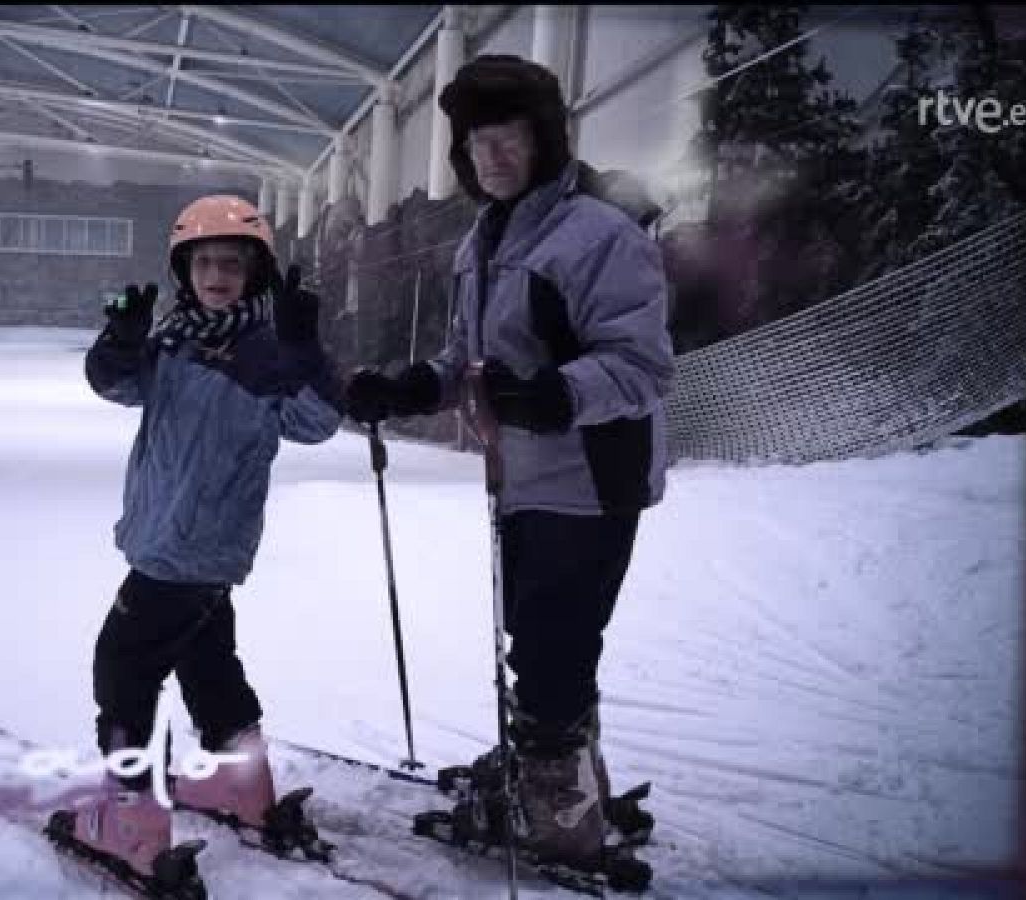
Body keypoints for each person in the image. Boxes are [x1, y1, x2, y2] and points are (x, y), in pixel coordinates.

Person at [344, 55, 675, 869]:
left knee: (552, 643)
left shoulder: (598, 236)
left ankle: (558, 814)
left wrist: (555, 396)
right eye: (476, 144)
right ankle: (561, 773)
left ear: (545, 140)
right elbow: (470, 356)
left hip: (592, 475)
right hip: (524, 475)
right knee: (543, 634)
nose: (490, 157)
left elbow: (641, 366)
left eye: (508, 139)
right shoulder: (483, 242)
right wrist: (414, 385)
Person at [80, 194, 343, 876]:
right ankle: (240, 783)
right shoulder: (175, 338)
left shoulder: (265, 349)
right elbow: (116, 388)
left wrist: (305, 354)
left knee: (123, 663)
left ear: (255, 273)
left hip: (193, 544)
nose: (216, 276)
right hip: (172, 536)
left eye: (231, 264)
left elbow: (318, 423)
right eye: (203, 263)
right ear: (183, 270)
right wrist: (119, 340)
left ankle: (131, 820)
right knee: (207, 660)